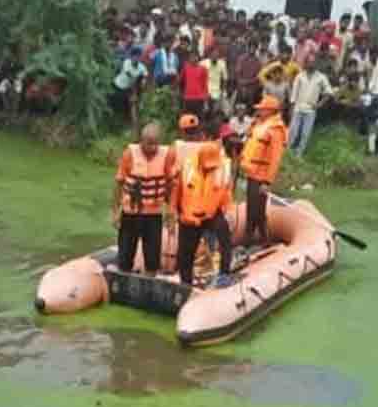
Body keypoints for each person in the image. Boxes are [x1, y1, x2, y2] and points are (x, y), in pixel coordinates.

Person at [113, 123, 176, 275]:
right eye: (149, 143)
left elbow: (170, 184)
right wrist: (115, 211)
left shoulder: (167, 155)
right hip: (131, 213)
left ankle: (150, 281)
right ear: (142, 141)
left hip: (153, 214)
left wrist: (171, 211)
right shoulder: (129, 154)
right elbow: (119, 183)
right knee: (125, 255)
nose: (153, 147)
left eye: (156, 143)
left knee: (152, 259)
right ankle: (123, 279)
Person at [174, 142, 234, 287]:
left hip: (212, 213)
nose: (210, 168)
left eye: (212, 166)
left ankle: (224, 274)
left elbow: (226, 192)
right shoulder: (187, 167)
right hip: (189, 216)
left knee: (225, 239)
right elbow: (176, 191)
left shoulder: (223, 169)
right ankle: (186, 283)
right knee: (185, 253)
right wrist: (175, 212)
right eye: (207, 166)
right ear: (199, 159)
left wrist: (227, 211)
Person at [239, 94, 288, 245]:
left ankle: (251, 239)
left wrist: (267, 181)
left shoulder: (276, 129)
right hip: (252, 173)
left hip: (261, 176)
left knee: (255, 210)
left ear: (270, 111)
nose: (259, 111)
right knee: (255, 208)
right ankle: (262, 240)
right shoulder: (259, 124)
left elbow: (275, 158)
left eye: (262, 109)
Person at [287, 56, 334, 159]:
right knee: (293, 131)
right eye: (309, 62)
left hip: (311, 110)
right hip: (298, 107)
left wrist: (319, 104)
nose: (311, 64)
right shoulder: (300, 76)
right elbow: (294, 93)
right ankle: (288, 152)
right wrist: (292, 107)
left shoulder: (321, 77)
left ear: (316, 64)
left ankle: (298, 154)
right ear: (305, 63)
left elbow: (329, 92)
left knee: (305, 134)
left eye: (313, 62)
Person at [177, 48, 210, 118]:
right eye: (192, 56)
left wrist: (205, 98)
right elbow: (180, 81)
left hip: (199, 98)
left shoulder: (203, 69)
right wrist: (181, 94)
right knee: (188, 118)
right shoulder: (185, 68)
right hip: (188, 98)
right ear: (189, 58)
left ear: (198, 58)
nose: (194, 58)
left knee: (198, 118)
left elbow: (205, 84)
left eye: (195, 56)